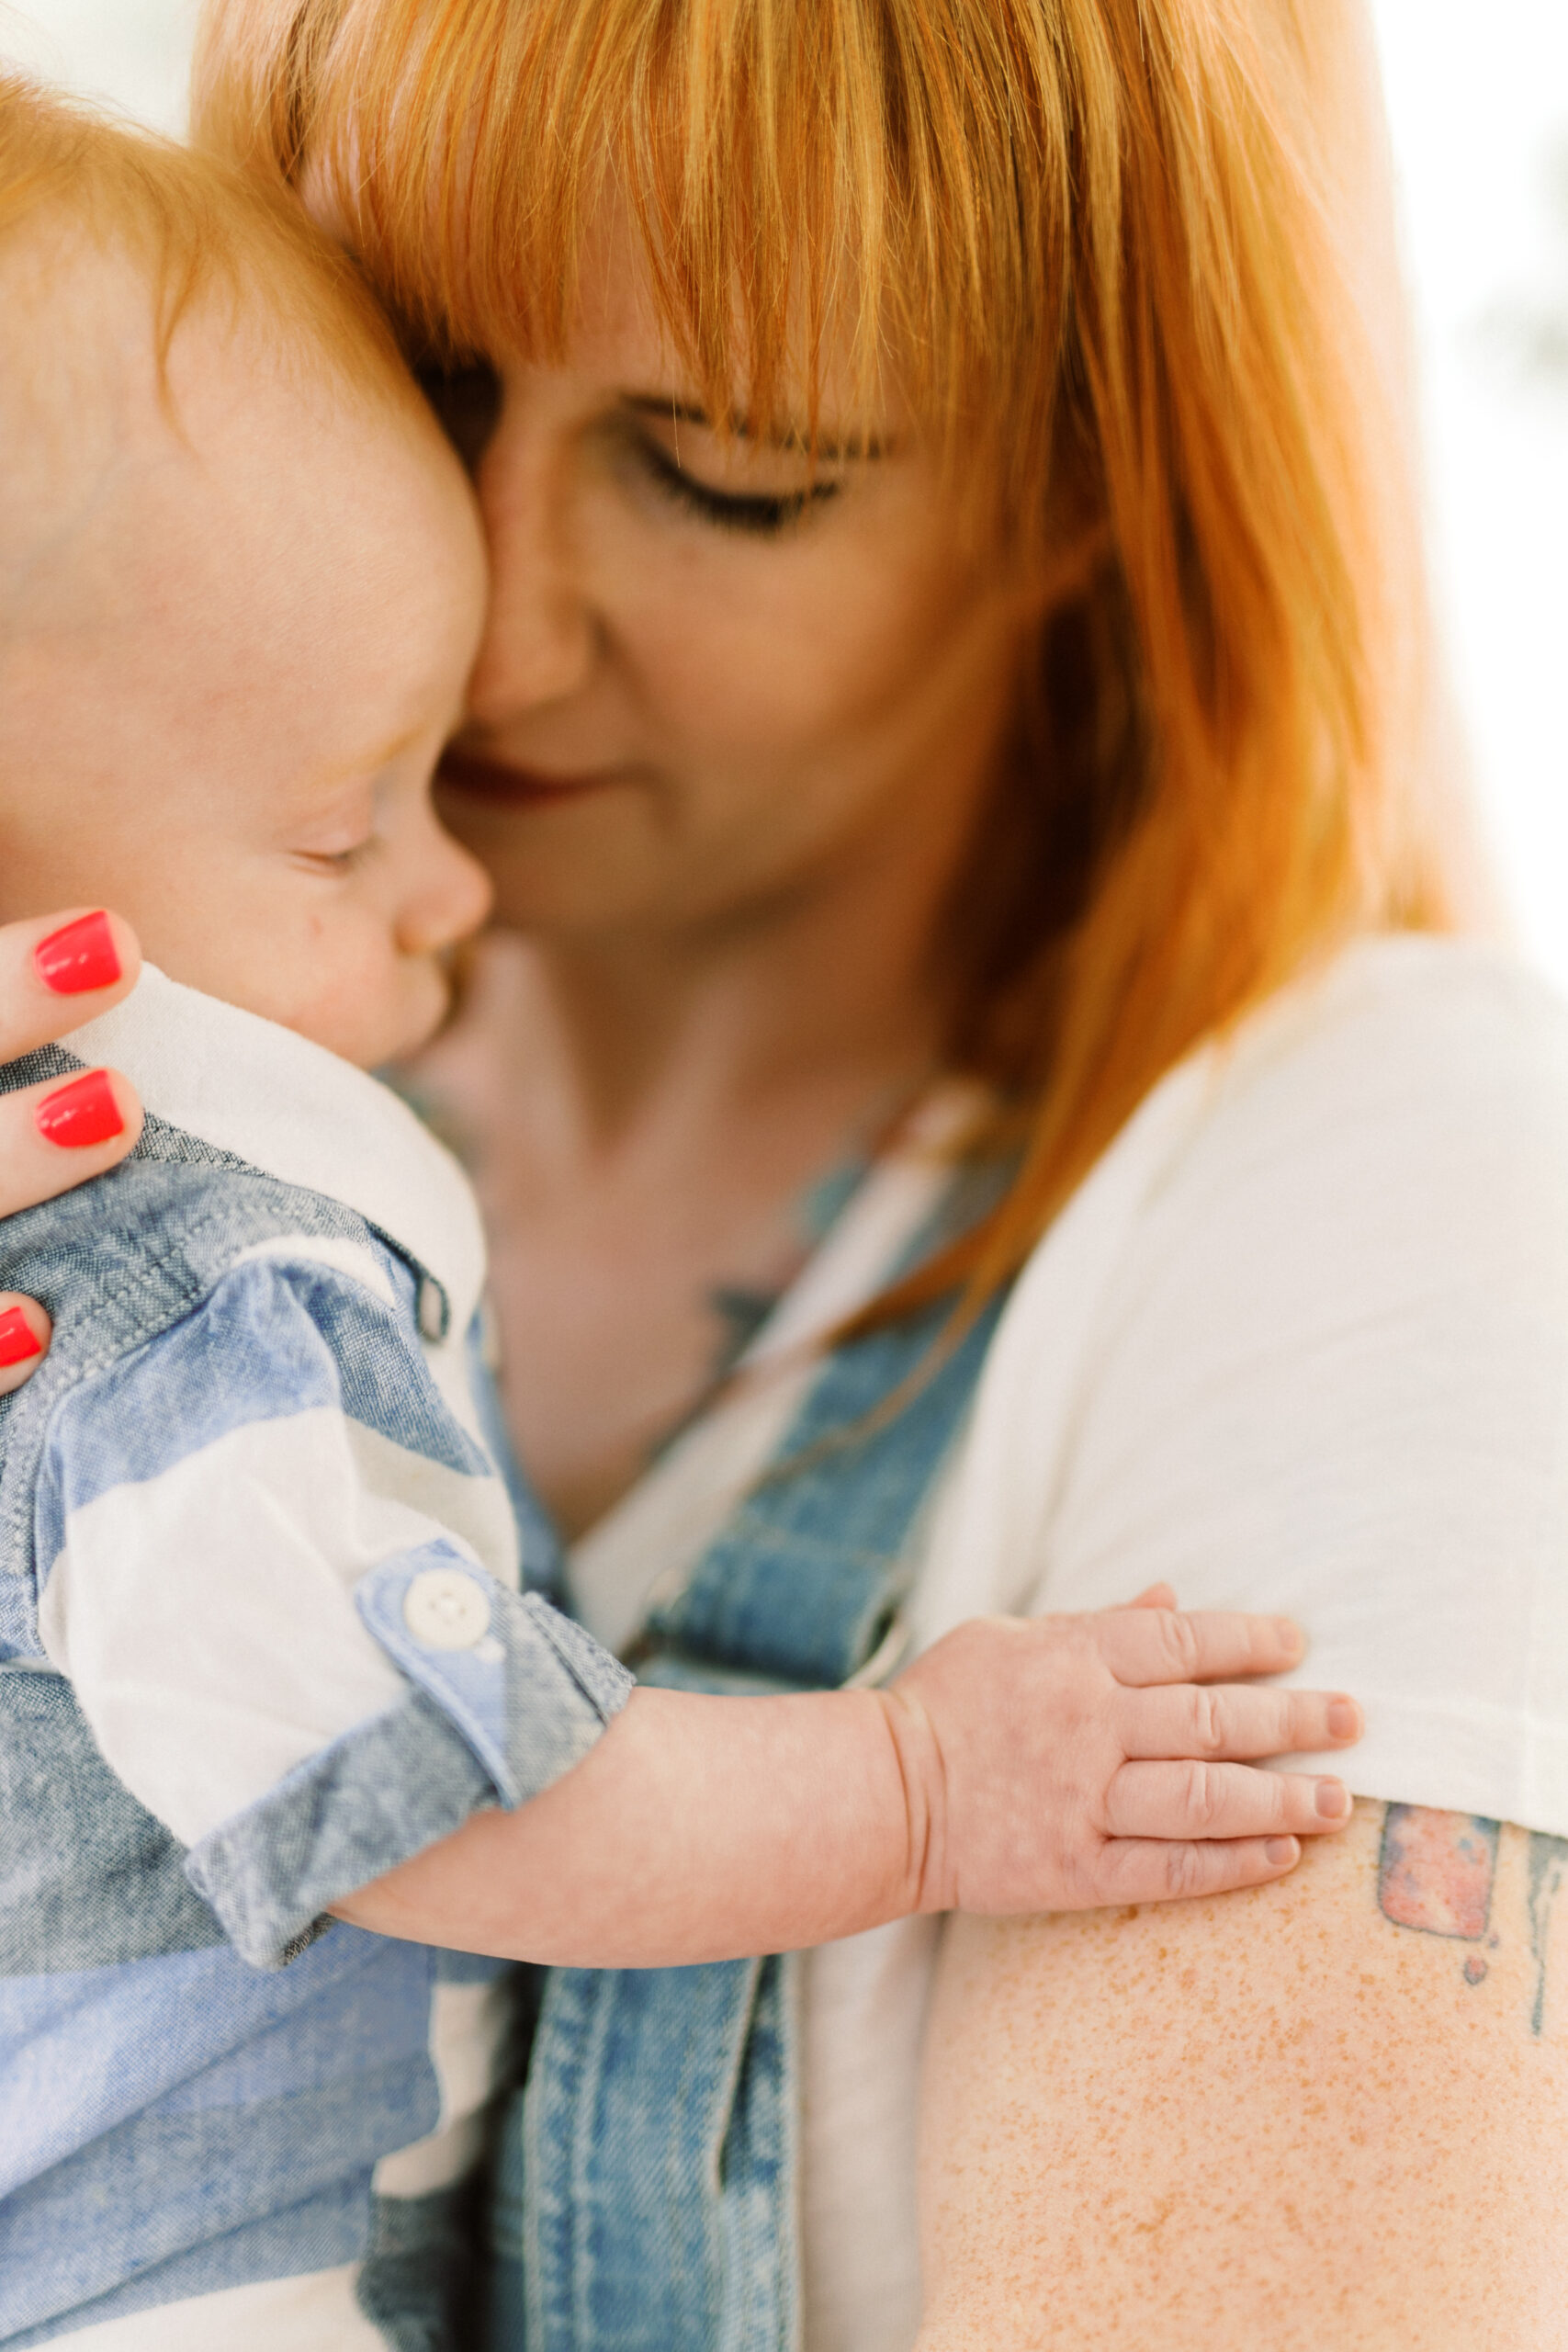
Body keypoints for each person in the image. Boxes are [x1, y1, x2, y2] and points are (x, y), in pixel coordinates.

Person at [6, 0, 1568, 2342]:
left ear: (1092, 494)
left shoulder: (1392, 1191)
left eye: (728, 468)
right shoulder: (197, 1152)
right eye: (419, 386)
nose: (497, 633)